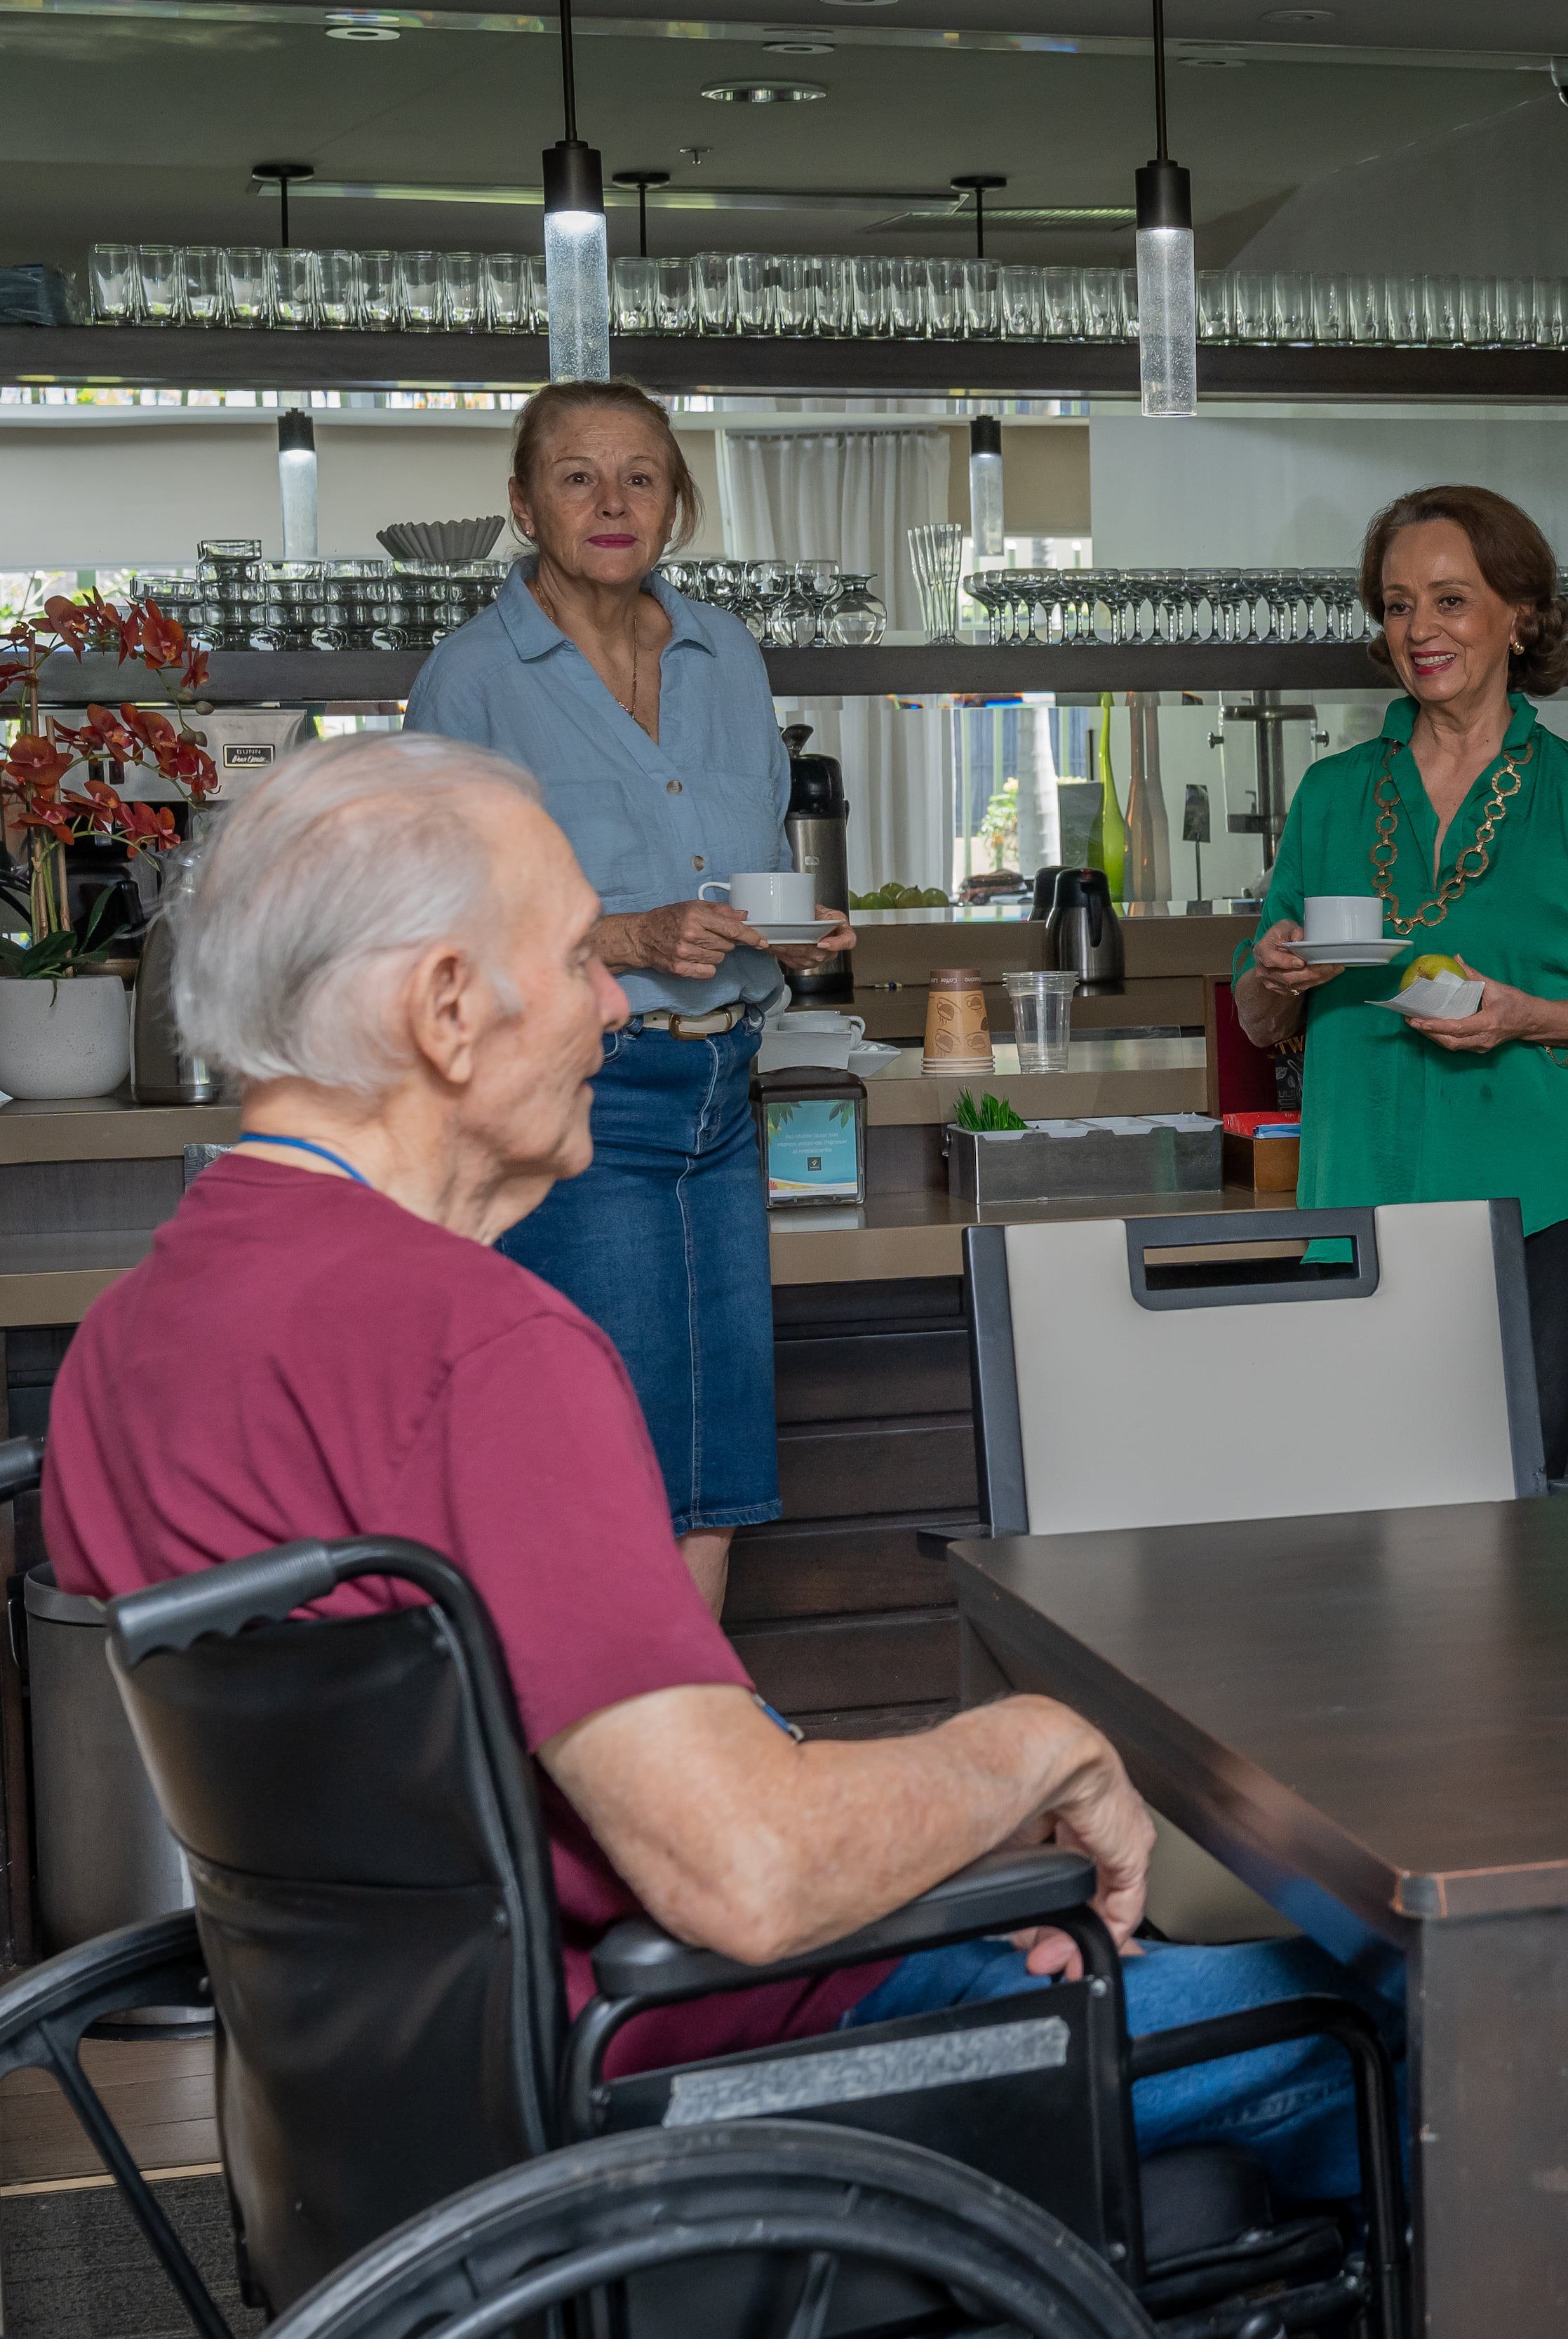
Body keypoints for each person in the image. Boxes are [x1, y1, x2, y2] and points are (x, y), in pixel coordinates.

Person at [43, 734, 1374, 2196]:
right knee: (1408, 2016)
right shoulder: (480, 1349)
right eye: (576, 955)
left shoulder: (125, 1344)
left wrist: (937, 1884)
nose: (619, 1003)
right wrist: (1035, 1746)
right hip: (688, 2099)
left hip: (399, 2141)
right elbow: (743, 1871)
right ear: (444, 1009)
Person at [403, 378, 850, 1613]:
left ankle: (689, 1744)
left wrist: (789, 936)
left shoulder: (728, 654)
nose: (613, 502)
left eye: (641, 477)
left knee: (717, 1454)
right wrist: (626, 931)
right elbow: (439, 924)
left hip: (725, 1089)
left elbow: (750, 861)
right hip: (580, 1102)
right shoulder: (473, 679)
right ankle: (613, 1767)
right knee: (611, 1453)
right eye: (578, 476)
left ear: (676, 504)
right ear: (522, 503)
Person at [1231, 483, 1568, 1483]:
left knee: (1505, 1482)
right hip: (1364, 1191)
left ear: (1519, 616)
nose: (1418, 629)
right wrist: (1278, 977)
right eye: (1397, 603)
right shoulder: (1331, 793)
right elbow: (1259, 1018)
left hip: (1550, 1197)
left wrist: (1535, 1016)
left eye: (1449, 599)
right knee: (1375, 1492)